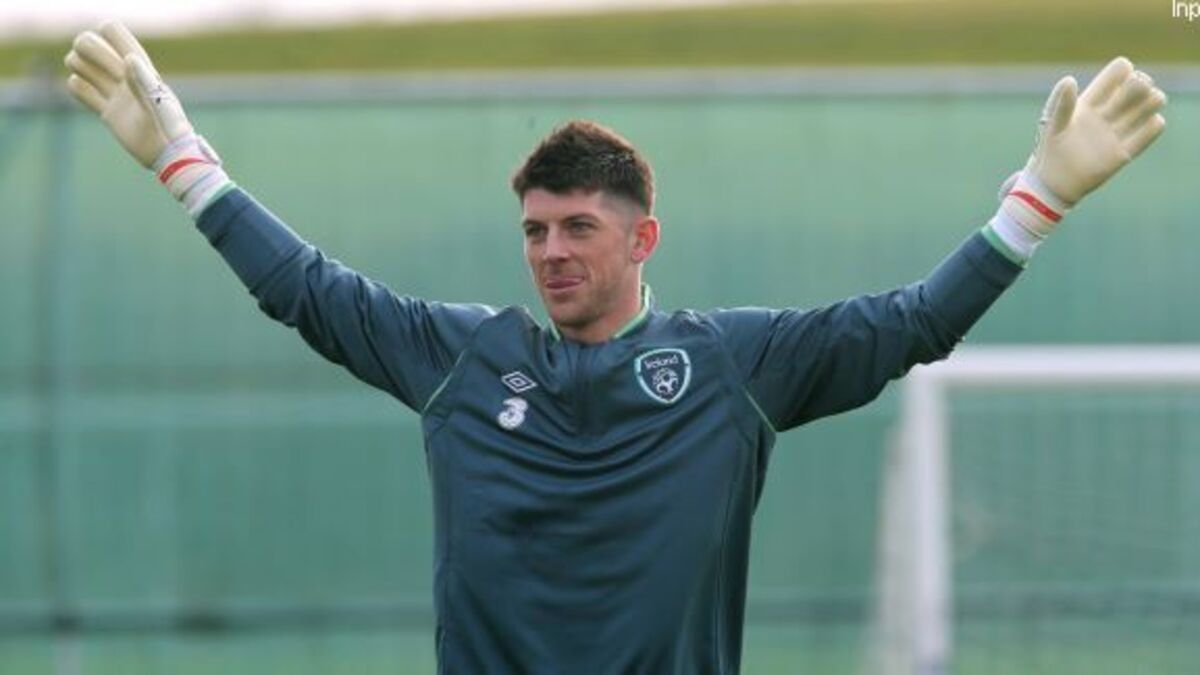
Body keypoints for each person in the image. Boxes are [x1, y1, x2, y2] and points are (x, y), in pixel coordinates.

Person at [64, 21, 1166, 674]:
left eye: (578, 227)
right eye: (535, 229)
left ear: (643, 239)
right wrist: (186, 164)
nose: (550, 251)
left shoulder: (733, 368)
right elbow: (308, 290)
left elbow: (911, 323)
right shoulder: (462, 358)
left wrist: (1035, 203)